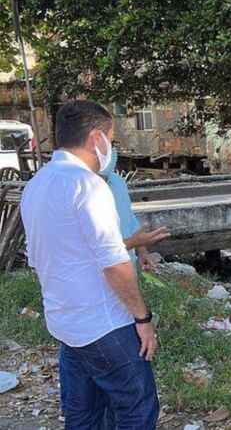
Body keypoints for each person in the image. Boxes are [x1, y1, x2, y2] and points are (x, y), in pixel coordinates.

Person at [20, 100, 170, 428]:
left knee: (83, 414)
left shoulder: (35, 187)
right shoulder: (88, 186)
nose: (111, 149)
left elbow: (38, 258)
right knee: (137, 408)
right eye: (111, 140)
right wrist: (142, 319)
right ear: (95, 139)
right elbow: (114, 262)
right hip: (104, 325)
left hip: (66, 323)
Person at [100, 143, 156, 272]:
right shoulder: (81, 189)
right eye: (106, 145)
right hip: (102, 270)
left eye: (112, 145)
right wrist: (133, 243)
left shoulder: (118, 182)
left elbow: (129, 218)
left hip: (127, 263)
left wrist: (142, 250)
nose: (112, 151)